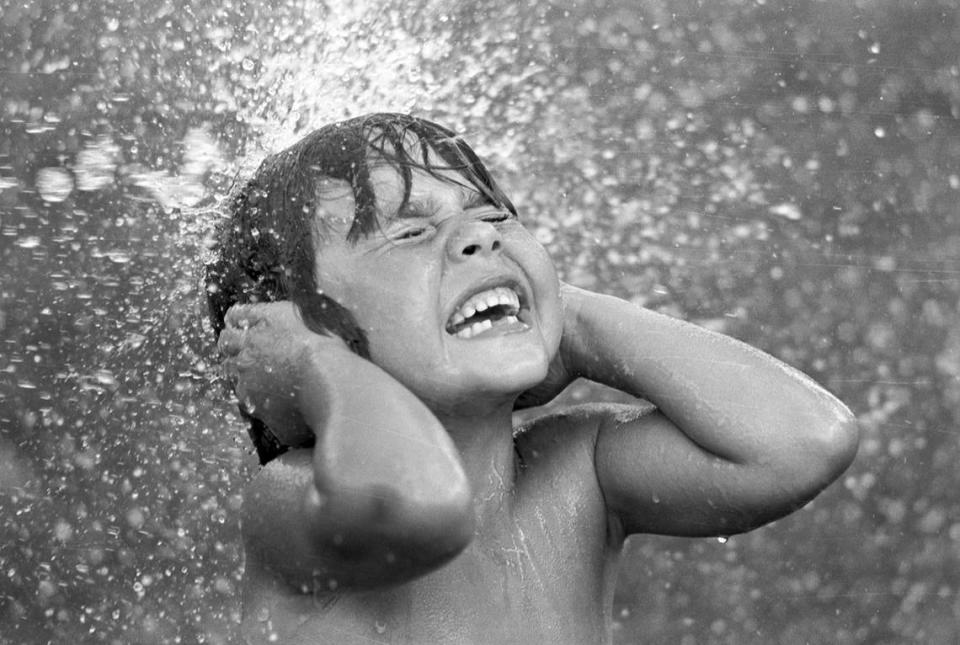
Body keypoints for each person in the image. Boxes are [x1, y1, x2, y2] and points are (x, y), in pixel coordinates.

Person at [206, 113, 859, 644]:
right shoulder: (293, 500)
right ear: (297, 327)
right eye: (410, 232)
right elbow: (417, 504)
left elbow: (804, 440)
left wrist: (567, 320)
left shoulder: (578, 474)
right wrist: (311, 362)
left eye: (493, 219)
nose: (479, 241)